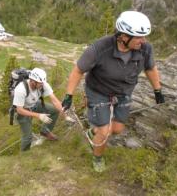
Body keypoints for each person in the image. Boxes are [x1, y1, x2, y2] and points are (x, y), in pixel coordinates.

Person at [61, 11, 165, 172]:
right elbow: (78, 71)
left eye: (144, 37)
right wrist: (69, 95)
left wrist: (157, 90)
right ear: (123, 36)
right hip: (98, 91)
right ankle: (97, 158)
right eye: (139, 37)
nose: (143, 41)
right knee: (104, 131)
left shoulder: (145, 49)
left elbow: (150, 68)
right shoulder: (99, 49)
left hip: (124, 92)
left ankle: (93, 132)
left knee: (116, 129)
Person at [13, 67, 64, 151]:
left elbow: (54, 100)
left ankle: (45, 132)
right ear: (33, 81)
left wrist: (64, 114)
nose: (42, 85)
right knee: (27, 137)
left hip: (34, 104)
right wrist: (38, 115)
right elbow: (19, 110)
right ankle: (24, 154)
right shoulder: (21, 89)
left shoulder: (42, 84)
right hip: (23, 111)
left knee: (54, 110)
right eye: (40, 83)